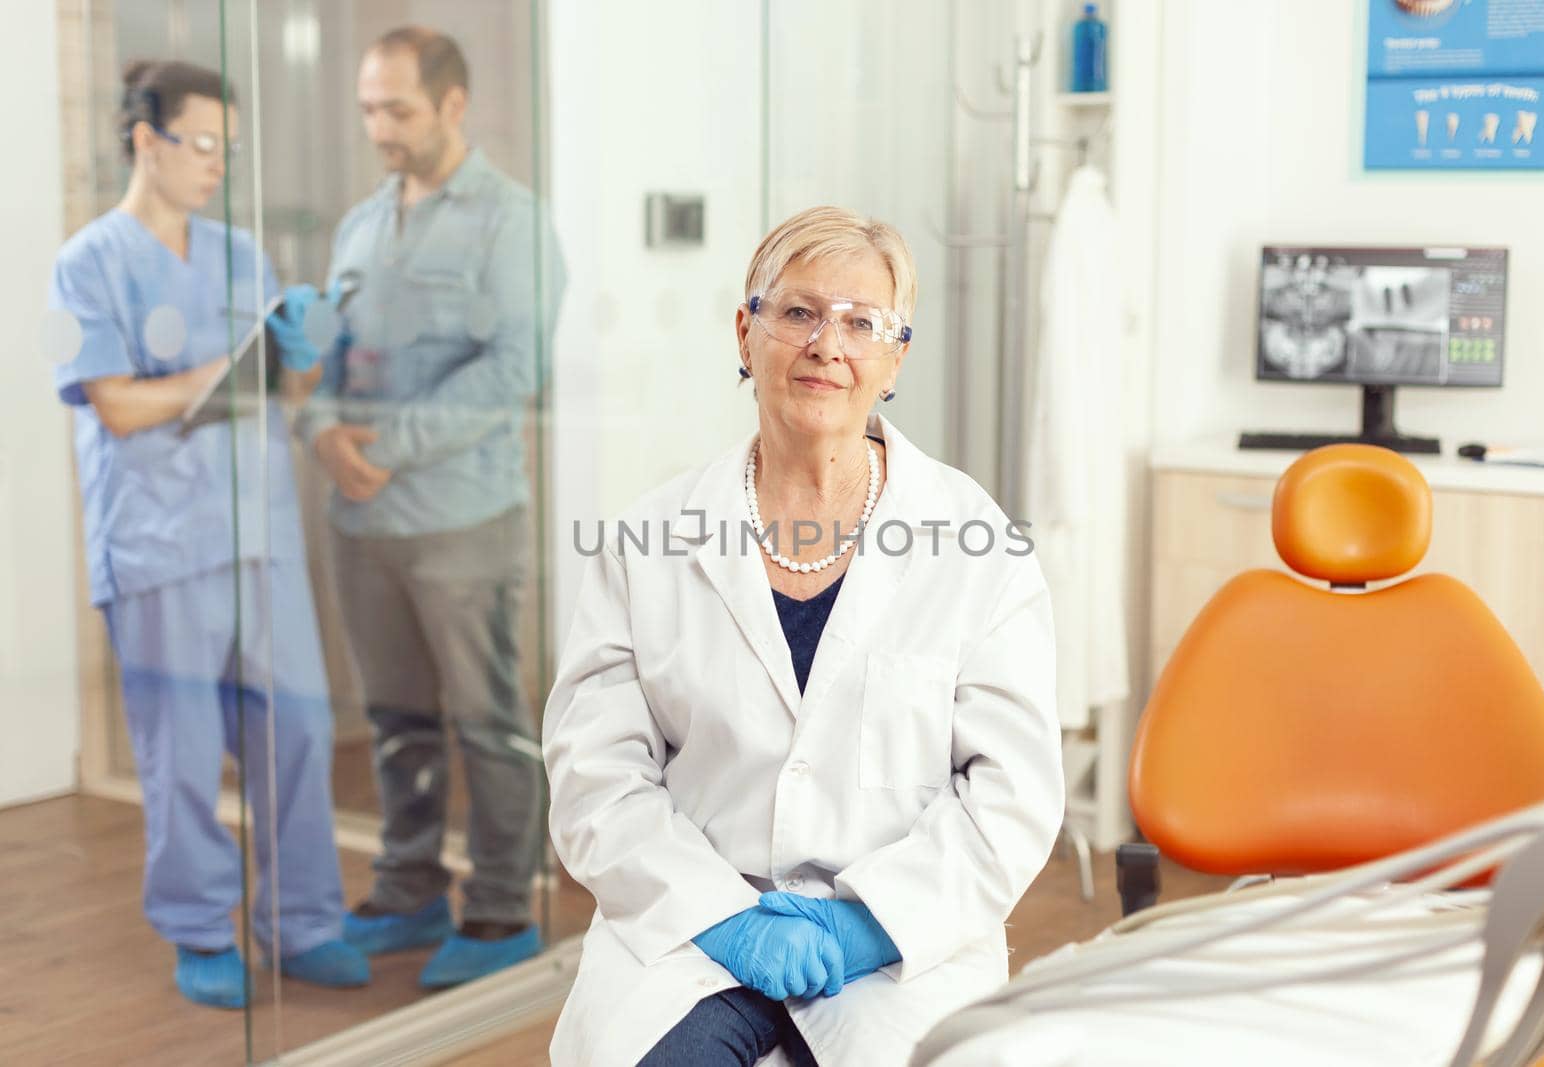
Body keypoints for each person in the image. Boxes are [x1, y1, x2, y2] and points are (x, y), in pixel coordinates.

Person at [543, 206, 1066, 1065]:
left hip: (896, 945)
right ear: (745, 333)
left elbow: (1011, 795)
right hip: (696, 931)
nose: (829, 344)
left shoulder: (977, 546)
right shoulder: (650, 540)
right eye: (798, 313)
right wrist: (725, 918)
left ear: (894, 359)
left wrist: (868, 924)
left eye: (863, 323)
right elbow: (595, 776)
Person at [47, 59, 367, 1009]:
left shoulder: (240, 254)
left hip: (255, 530)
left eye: (230, 148)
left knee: (301, 730)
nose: (219, 164)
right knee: (182, 750)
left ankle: (302, 922)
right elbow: (114, 404)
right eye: (202, 144)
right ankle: (198, 930)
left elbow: (283, 389)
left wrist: (298, 354)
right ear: (145, 138)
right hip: (156, 541)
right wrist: (219, 372)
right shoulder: (86, 263)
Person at [278, 26, 562, 989]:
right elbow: (318, 351)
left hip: (461, 519)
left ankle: (497, 910)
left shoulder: (510, 222)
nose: (378, 127)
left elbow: (516, 369)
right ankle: (407, 890)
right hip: (363, 525)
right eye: (367, 108)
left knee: (486, 719)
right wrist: (320, 432)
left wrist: (381, 453)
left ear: (452, 105)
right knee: (397, 717)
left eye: (396, 108)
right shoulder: (360, 226)